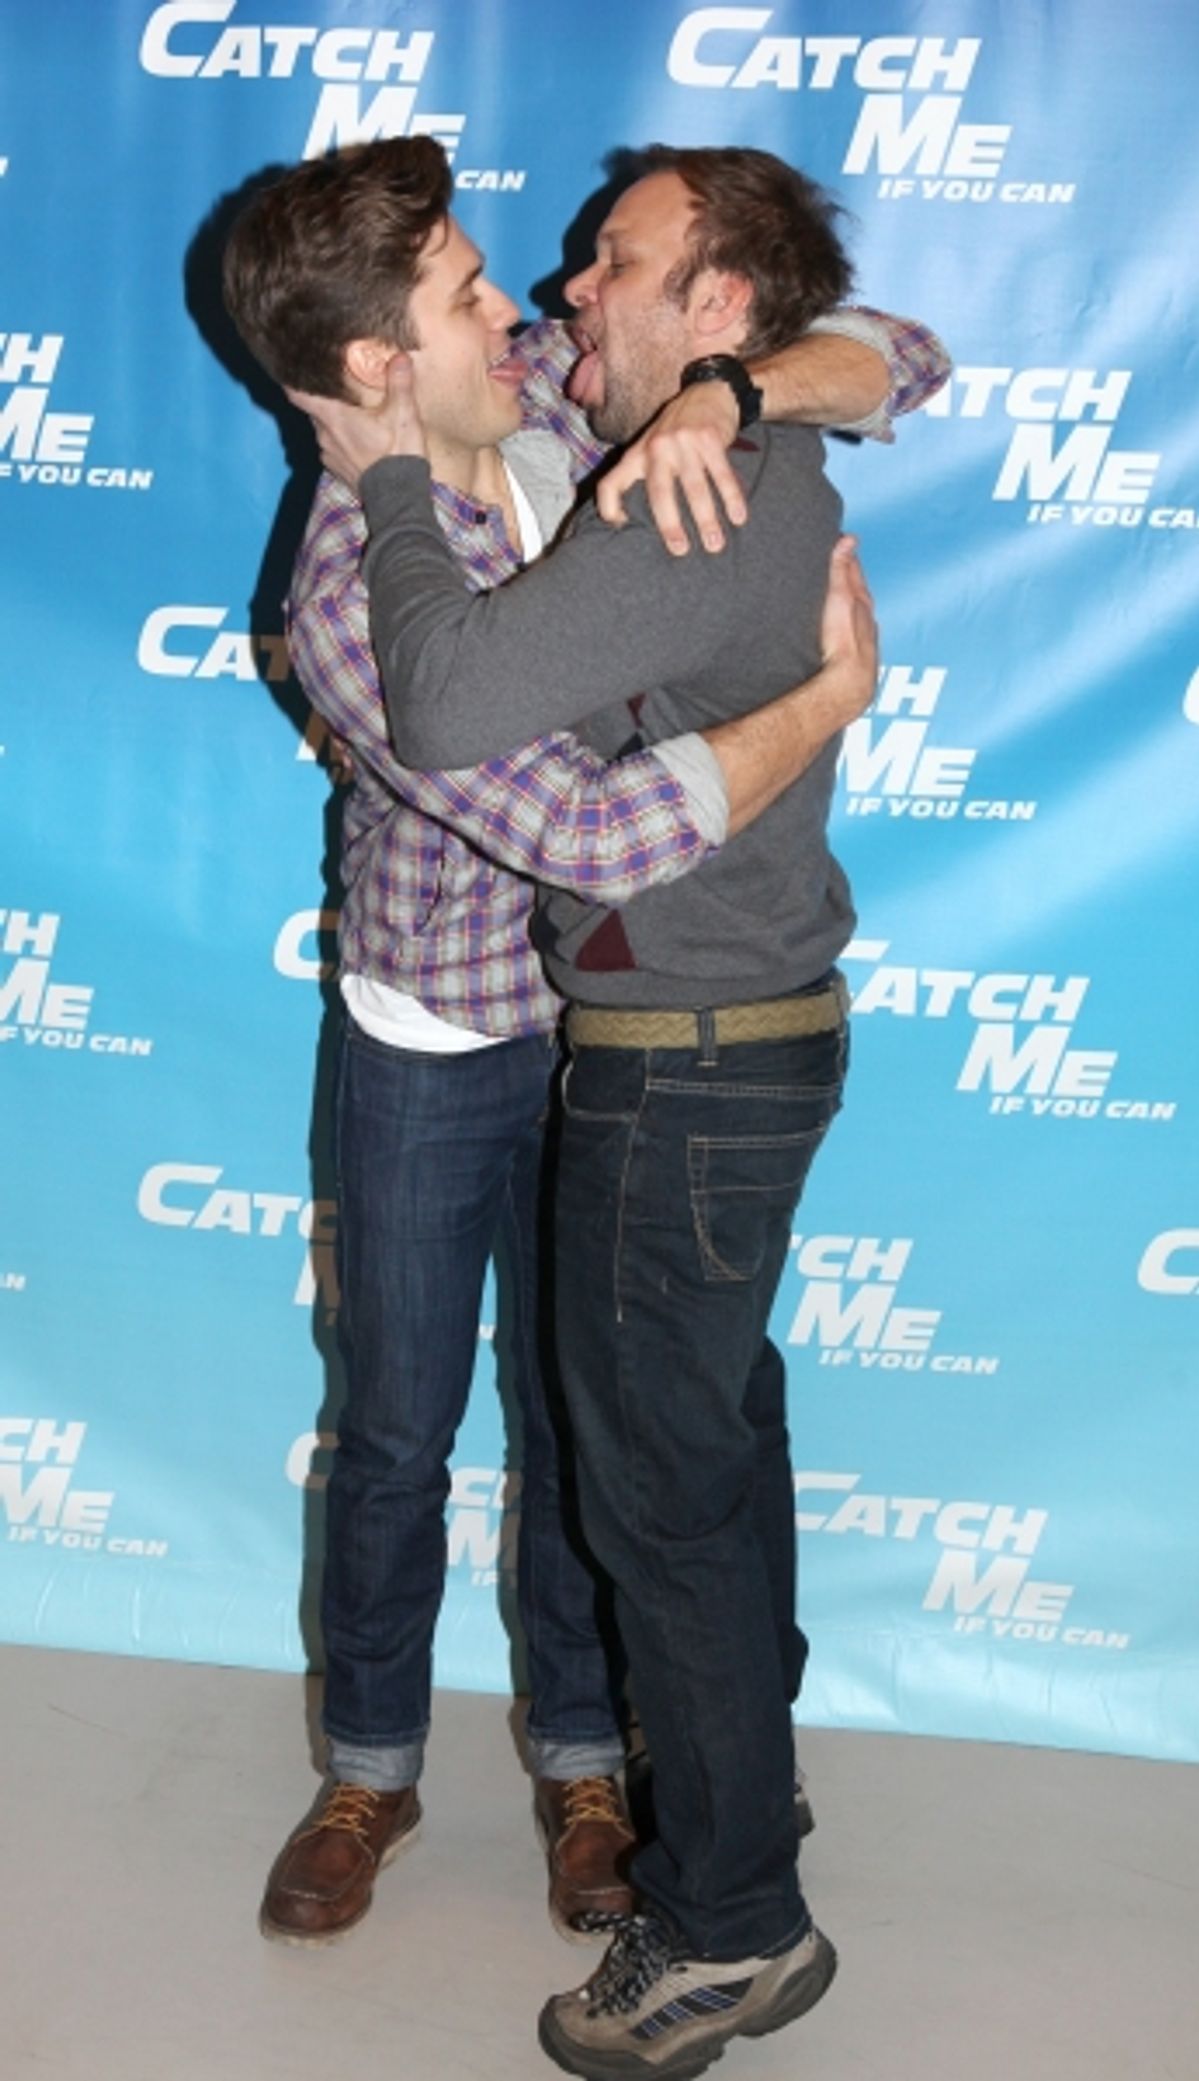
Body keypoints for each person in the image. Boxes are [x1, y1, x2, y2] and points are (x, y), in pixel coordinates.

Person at [222, 136, 946, 1980]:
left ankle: (582, 1766)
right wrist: (831, 699)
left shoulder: (554, 392)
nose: (528, 304)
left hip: (602, 1037)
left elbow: (906, 353)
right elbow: (603, 838)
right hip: (431, 1032)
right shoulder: (349, 587)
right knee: (397, 1424)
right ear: (381, 364)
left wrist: (726, 387)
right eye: (471, 292)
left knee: (583, 1425)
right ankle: (369, 1771)